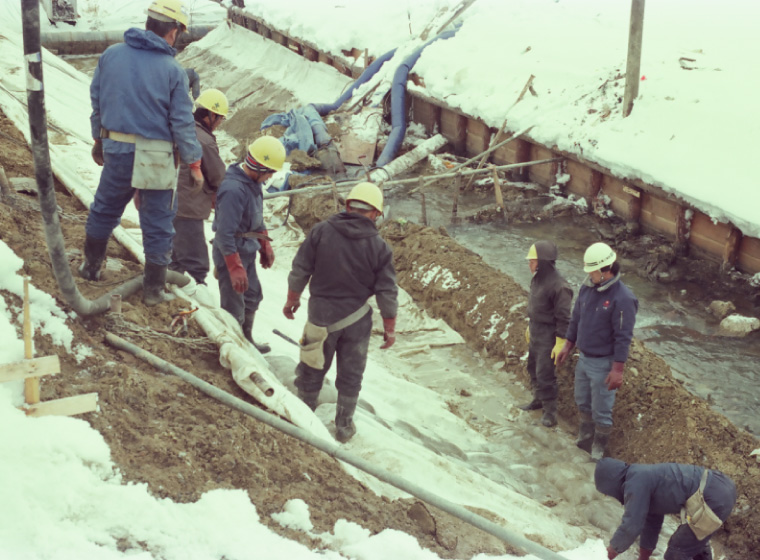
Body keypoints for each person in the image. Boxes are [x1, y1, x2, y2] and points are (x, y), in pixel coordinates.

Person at [81, 0, 202, 307]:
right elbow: (182, 122)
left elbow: (97, 99)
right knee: (158, 222)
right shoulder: (174, 71)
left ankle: (91, 268)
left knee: (104, 209)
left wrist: (99, 138)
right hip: (156, 156)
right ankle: (153, 291)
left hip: (117, 147)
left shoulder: (111, 55)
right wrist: (194, 161)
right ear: (173, 31)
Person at [283, 182, 398, 443]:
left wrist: (292, 299)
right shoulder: (380, 247)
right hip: (356, 321)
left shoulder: (321, 231)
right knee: (351, 374)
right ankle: (344, 425)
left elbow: (301, 267)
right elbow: (387, 290)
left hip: (320, 318)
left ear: (347, 205)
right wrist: (389, 327)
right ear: (376, 214)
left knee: (311, 369)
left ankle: (303, 419)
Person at [556, 242, 638, 460]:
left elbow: (623, 337)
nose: (589, 275)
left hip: (604, 363)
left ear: (605, 270)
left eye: (592, 271)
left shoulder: (623, 299)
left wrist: (618, 369)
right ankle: (585, 437)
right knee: (582, 399)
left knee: (602, 408)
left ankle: (599, 448)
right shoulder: (587, 289)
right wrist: (568, 344)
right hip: (584, 358)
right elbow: (576, 319)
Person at [212, 136, 285, 354]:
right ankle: (233, 351)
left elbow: (257, 216)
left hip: (247, 248)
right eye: (270, 172)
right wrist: (234, 267)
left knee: (252, 295)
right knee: (233, 307)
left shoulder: (253, 184)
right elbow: (225, 234)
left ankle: (246, 340)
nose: (271, 177)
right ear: (259, 167)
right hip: (231, 252)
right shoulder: (234, 190)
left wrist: (264, 244)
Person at [595, 458, 736, 560]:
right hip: (718, 488)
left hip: (714, 496)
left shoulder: (635, 483)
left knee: (676, 552)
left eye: (607, 491)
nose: (609, 495)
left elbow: (631, 526)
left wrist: (605, 556)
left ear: (611, 482)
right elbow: (651, 522)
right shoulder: (639, 476)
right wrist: (643, 558)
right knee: (693, 543)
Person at [169, 88, 228, 286]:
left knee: (174, 255)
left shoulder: (184, 128)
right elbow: (218, 176)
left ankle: (172, 288)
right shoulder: (204, 140)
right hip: (189, 207)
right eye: (220, 119)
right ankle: (199, 295)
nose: (220, 124)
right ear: (211, 115)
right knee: (196, 260)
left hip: (171, 201)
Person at [519, 241, 573, 427]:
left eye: (532, 261)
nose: (529, 265)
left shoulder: (560, 286)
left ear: (542, 262)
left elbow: (564, 317)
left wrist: (560, 341)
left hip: (549, 335)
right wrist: (531, 325)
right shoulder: (538, 278)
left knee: (545, 374)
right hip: (536, 330)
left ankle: (550, 413)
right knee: (532, 367)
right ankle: (538, 400)